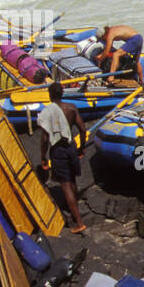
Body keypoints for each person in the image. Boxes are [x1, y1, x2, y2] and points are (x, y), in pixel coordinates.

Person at [38, 82, 88, 234]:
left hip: (58, 149)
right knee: (72, 179)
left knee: (65, 184)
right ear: (62, 93)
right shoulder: (71, 108)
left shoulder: (48, 112)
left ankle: (78, 222)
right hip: (71, 146)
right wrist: (81, 147)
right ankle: (74, 206)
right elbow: (82, 129)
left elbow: (45, 138)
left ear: (50, 95)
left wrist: (43, 155)